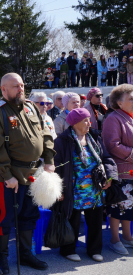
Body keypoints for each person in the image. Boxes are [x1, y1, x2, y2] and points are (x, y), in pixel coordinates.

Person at [0, 73, 56, 274]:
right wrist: (7, 176)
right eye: (15, 86)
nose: (21, 89)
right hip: (11, 177)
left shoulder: (31, 107)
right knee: (4, 219)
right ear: (4, 90)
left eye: (22, 85)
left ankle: (25, 254)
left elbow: (46, 133)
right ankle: (3, 259)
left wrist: (49, 159)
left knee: (29, 215)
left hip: (33, 174)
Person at [54, 108, 117, 262]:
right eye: (85, 120)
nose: (90, 123)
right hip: (73, 188)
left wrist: (110, 177)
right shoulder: (62, 141)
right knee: (72, 221)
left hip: (94, 187)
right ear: (75, 123)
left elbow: (106, 158)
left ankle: (94, 250)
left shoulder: (94, 137)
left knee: (95, 221)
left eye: (89, 119)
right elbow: (55, 166)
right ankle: (68, 250)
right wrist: (58, 189)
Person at [102, 84, 133, 255]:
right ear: (119, 103)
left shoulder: (130, 117)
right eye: (130, 98)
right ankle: (115, 239)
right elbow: (112, 146)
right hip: (120, 171)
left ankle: (127, 237)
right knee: (118, 205)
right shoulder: (113, 118)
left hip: (131, 171)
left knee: (129, 206)